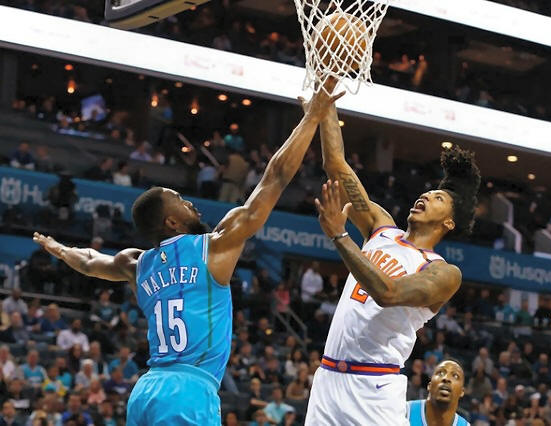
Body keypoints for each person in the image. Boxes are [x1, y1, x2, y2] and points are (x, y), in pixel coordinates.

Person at [33, 84, 342, 426]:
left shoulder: (137, 264)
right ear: (171, 221)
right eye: (180, 200)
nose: (190, 203)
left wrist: (61, 250)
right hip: (189, 390)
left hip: (147, 390)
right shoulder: (214, 246)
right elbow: (275, 179)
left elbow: (91, 262)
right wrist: (311, 119)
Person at [305, 93, 480, 425]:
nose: (425, 195)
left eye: (437, 198)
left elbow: (388, 293)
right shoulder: (380, 227)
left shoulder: (442, 272)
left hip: (374, 388)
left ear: (448, 222)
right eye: (427, 192)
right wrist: (326, 102)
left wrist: (340, 236)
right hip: (327, 379)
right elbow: (336, 165)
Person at [406, 360, 470, 426]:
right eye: (440, 373)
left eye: (455, 376)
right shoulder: (405, 411)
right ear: (429, 385)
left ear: (462, 392)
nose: (446, 378)